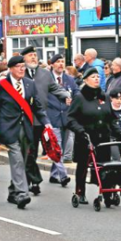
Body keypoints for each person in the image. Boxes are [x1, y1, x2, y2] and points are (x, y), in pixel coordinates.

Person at [0, 55, 51, 209]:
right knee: (17, 159)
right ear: (11, 69)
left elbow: (37, 107)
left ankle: (13, 192)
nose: (22, 69)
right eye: (19, 66)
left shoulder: (29, 84)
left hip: (26, 128)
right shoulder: (1, 85)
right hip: (9, 130)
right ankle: (22, 193)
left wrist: (47, 123)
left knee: (23, 161)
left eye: (23, 66)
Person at [21, 45, 70, 196]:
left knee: (50, 148)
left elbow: (55, 88)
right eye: (30, 55)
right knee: (29, 152)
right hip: (25, 120)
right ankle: (32, 182)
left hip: (42, 120)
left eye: (35, 55)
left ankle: (51, 176)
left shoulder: (44, 74)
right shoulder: (20, 74)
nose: (34, 57)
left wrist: (66, 95)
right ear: (23, 59)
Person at [66, 67, 114, 205]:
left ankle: (106, 194)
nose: (96, 79)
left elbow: (111, 117)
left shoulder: (104, 96)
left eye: (98, 77)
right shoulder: (80, 97)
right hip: (86, 138)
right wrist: (80, 130)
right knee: (83, 166)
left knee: (105, 166)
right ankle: (80, 192)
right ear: (86, 80)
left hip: (103, 138)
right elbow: (70, 118)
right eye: (93, 77)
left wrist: (118, 132)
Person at [45, 54, 78, 186]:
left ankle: (54, 174)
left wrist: (73, 101)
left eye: (62, 61)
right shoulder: (47, 79)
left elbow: (77, 93)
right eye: (58, 62)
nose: (60, 64)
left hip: (67, 117)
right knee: (56, 146)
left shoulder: (69, 79)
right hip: (52, 116)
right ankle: (63, 175)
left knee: (62, 149)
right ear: (52, 64)